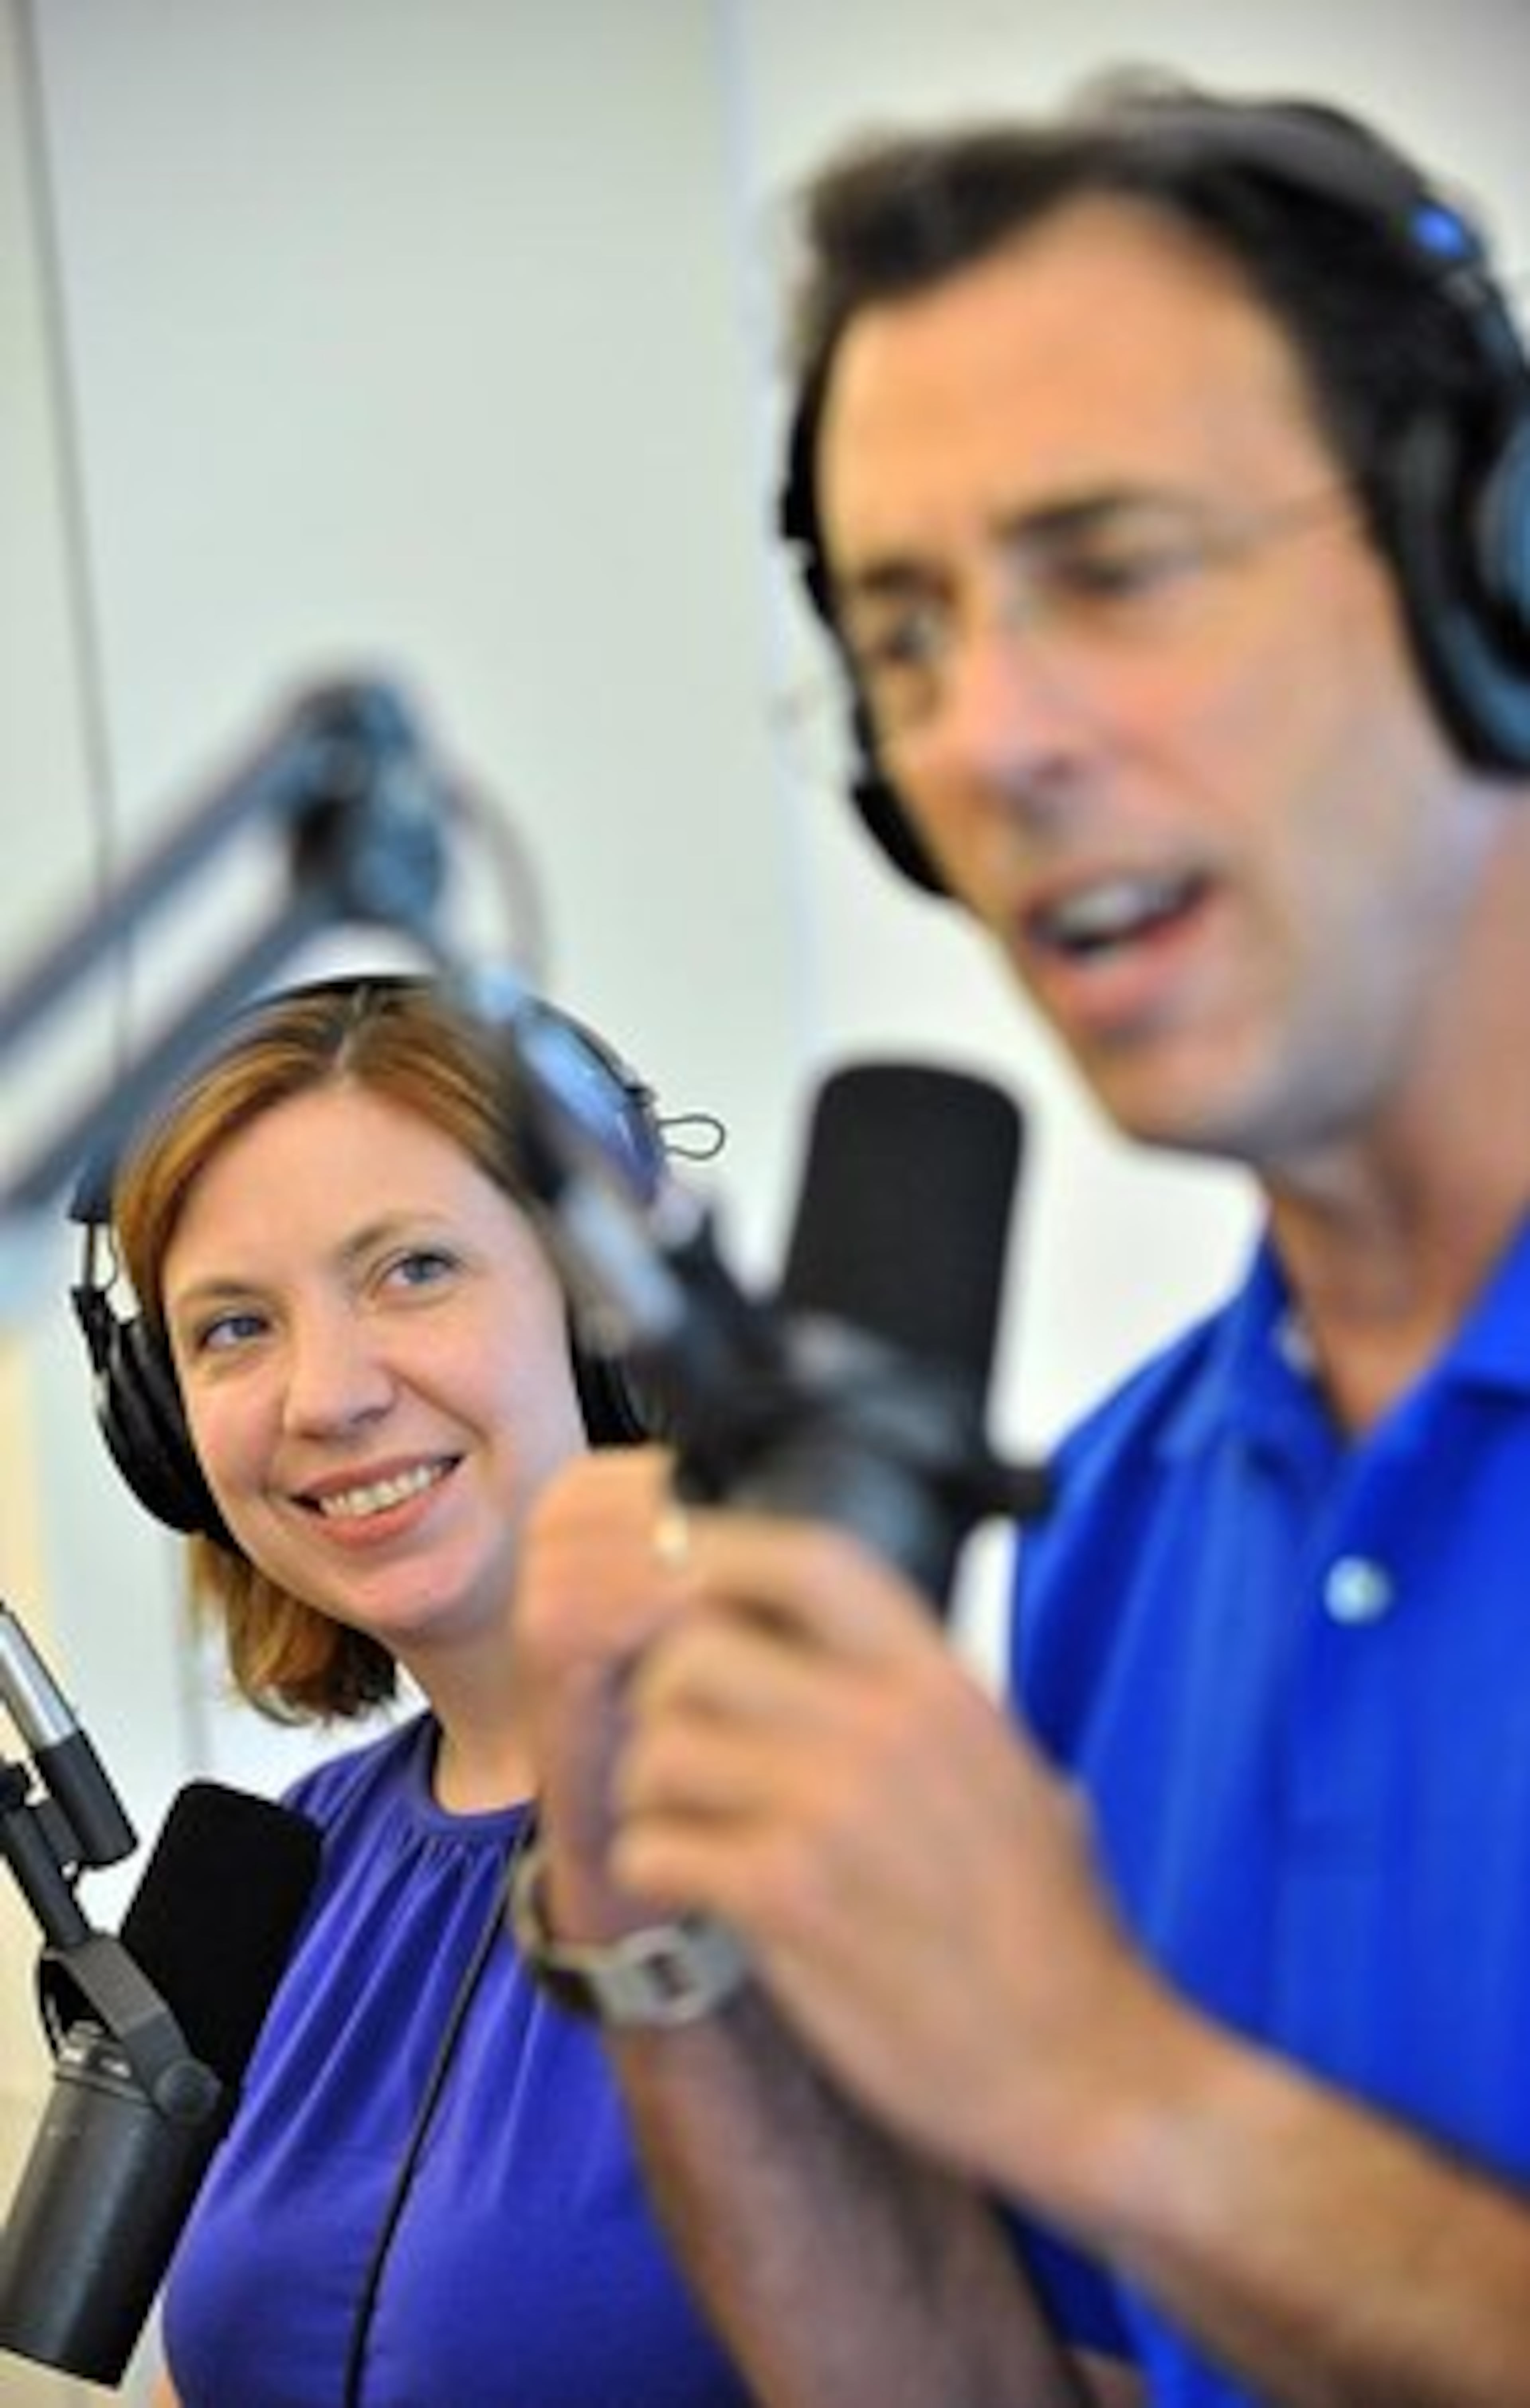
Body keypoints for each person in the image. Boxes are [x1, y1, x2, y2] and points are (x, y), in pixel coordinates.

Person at [509, 73, 1530, 2407]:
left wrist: (1112, 2080)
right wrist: (650, 1900)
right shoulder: (1124, 1522)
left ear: (1491, 559)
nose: (988, 735)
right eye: (905, 638)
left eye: (1112, 568)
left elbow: (1123, 2115)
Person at [73, 974, 750, 2407]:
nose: (326, 1395)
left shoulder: (830, 1806)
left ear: (613, 1314)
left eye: (413, 1270)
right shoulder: (282, 1874)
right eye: (234, 1328)